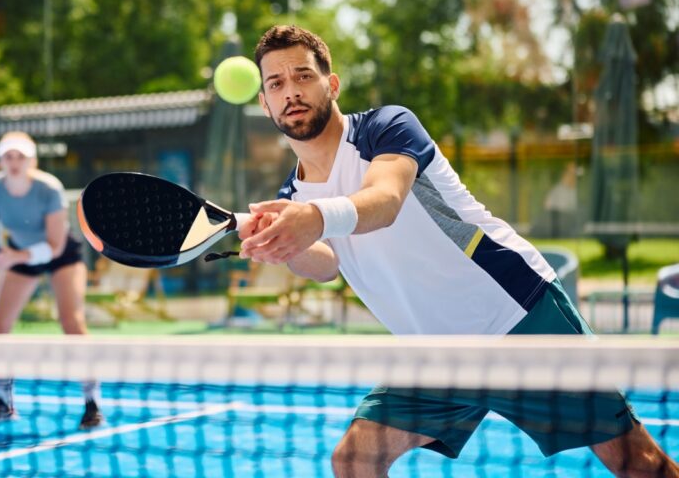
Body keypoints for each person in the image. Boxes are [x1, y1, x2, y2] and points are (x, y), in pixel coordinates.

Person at [237, 25, 678, 477]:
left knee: (638, 464)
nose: (290, 91)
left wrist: (313, 219)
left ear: (331, 84)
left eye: (302, 76)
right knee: (354, 460)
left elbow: (383, 201)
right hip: (437, 351)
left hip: (519, 317)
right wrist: (282, 245)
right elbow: (328, 264)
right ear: (264, 103)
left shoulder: (386, 128)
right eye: (276, 83)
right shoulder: (292, 193)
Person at [0, 131, 104, 430]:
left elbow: (55, 246)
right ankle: (4, 402)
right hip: (20, 254)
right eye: (9, 157)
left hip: (61, 255)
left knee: (71, 323)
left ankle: (92, 402)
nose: (15, 162)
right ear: (0, 162)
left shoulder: (49, 188)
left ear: (32, 160)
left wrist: (14, 257)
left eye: (21, 156)